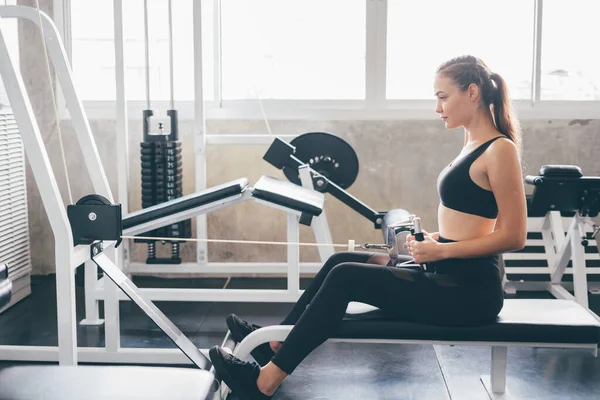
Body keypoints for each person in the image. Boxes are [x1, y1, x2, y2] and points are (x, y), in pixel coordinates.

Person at [208, 55, 528, 399]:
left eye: (443, 97)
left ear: (472, 92)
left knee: (346, 277)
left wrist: (442, 249)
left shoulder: (500, 150)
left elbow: (514, 235)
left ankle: (264, 381)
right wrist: (435, 241)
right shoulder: (470, 144)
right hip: (445, 273)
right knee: (340, 262)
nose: (437, 107)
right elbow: (473, 222)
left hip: (468, 294)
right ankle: (274, 344)